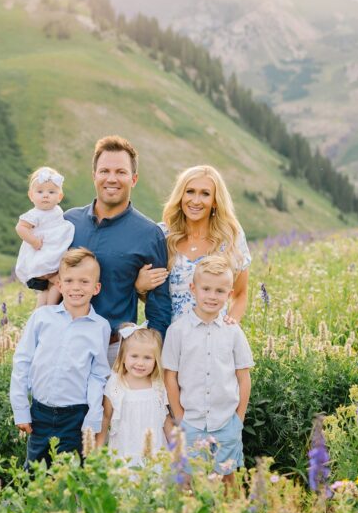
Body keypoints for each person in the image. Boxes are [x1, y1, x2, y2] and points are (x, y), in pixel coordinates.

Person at [65, 135, 171, 363]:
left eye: (121, 172)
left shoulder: (149, 234)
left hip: (114, 351)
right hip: (63, 343)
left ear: (133, 179)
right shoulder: (68, 222)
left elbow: (159, 309)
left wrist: (148, 360)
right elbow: (41, 274)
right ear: (94, 176)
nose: (111, 179)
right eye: (104, 171)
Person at [10, 248, 111, 469]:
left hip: (75, 415)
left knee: (69, 474)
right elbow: (22, 361)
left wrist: (93, 416)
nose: (76, 287)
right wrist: (20, 409)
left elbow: (98, 374)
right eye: (69, 281)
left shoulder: (100, 327)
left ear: (96, 288)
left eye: (84, 282)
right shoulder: (42, 317)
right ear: (60, 285)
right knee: (34, 474)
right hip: (40, 413)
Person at [161, 256, 254, 488]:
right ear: (193, 289)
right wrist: (179, 415)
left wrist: (238, 418)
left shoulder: (233, 332)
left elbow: (243, 377)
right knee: (189, 478)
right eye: (206, 289)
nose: (212, 296)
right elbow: (169, 377)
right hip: (191, 420)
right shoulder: (177, 331)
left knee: (227, 478)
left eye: (220, 291)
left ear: (229, 294)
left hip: (226, 420)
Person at [135, 165, 251, 323]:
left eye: (205, 194)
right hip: (166, 335)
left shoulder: (231, 236)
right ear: (181, 196)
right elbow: (151, 297)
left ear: (215, 201)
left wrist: (230, 324)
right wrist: (140, 287)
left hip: (211, 338)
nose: (196, 201)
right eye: (190, 191)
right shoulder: (162, 234)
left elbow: (240, 293)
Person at [95, 323, 171, 469]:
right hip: (125, 450)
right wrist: (98, 448)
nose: (140, 363)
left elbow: (165, 418)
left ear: (156, 361)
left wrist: (178, 448)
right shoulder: (116, 384)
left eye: (147, 358)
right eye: (134, 356)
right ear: (123, 357)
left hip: (154, 450)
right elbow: (106, 417)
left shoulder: (157, 385)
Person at [14, 166, 74, 306]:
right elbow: (20, 228)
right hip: (41, 259)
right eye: (40, 191)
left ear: (59, 197)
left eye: (51, 192)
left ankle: (40, 311)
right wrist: (34, 241)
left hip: (51, 256)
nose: (45, 195)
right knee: (58, 281)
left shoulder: (56, 211)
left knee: (47, 289)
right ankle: (51, 309)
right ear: (31, 196)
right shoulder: (35, 214)